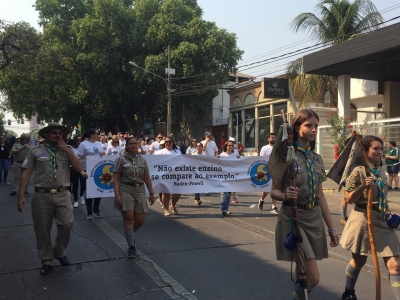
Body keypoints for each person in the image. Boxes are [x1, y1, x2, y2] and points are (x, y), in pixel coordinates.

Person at [270, 109, 339, 299]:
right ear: (297, 127)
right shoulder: (286, 156)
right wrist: (285, 195)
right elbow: (273, 191)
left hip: (314, 218)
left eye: (316, 125)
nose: (314, 129)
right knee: (313, 278)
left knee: (302, 274)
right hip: (294, 218)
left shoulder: (316, 159)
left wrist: (332, 228)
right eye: (309, 125)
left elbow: (320, 196)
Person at [17, 122, 85, 276]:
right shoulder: (35, 151)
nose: (58, 135)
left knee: (67, 224)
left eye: (60, 133)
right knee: (42, 230)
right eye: (54, 133)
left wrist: (67, 150)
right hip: (42, 195)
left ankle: (59, 252)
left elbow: (79, 168)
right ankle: (46, 260)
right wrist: (21, 196)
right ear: (46, 135)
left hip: (63, 193)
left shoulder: (68, 151)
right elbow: (26, 173)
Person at [340, 135, 400, 300]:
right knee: (358, 261)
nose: (380, 152)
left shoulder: (381, 170)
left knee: (396, 264)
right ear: (365, 151)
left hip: (382, 219)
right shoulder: (357, 171)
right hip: (363, 220)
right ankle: (348, 292)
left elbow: (383, 197)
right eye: (376, 148)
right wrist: (362, 186)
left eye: (381, 149)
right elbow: (348, 199)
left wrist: (388, 213)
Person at [113, 137, 155, 258]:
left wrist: (151, 194)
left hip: (139, 190)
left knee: (140, 220)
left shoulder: (142, 160)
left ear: (138, 145)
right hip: (126, 189)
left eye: (135, 144)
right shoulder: (120, 160)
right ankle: (131, 246)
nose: (133, 146)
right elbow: (115, 178)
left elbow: (147, 178)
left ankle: (129, 234)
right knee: (129, 219)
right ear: (126, 146)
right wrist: (117, 195)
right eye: (130, 144)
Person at [77, 128, 106, 220]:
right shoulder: (83, 144)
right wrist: (81, 170)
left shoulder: (98, 144)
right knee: (89, 191)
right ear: (92, 135)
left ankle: (96, 209)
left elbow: (102, 155)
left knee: (98, 189)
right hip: (87, 170)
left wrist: (103, 153)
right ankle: (89, 212)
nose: (99, 135)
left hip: (98, 170)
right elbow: (79, 158)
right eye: (97, 134)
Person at [154, 137, 181, 216]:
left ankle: (173, 205)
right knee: (166, 193)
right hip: (165, 176)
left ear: (173, 143)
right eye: (166, 142)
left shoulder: (177, 151)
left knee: (177, 193)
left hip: (176, 175)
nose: (168, 143)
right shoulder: (160, 152)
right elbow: (153, 161)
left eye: (169, 142)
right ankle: (166, 209)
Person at [219, 140, 240, 215]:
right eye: (229, 145)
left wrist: (240, 159)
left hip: (232, 177)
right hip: (224, 177)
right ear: (226, 146)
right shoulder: (222, 155)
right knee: (224, 193)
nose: (231, 147)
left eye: (232, 145)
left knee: (228, 194)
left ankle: (226, 208)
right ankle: (224, 209)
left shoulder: (234, 155)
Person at [258, 133, 278, 213]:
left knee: (275, 188)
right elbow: (261, 159)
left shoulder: (278, 148)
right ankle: (262, 199)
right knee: (266, 189)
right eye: (272, 138)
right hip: (267, 170)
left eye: (274, 138)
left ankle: (274, 206)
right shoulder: (264, 148)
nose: (273, 139)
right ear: (268, 139)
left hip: (276, 170)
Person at [69, 136, 86, 207]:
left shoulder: (85, 149)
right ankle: (76, 200)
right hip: (74, 169)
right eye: (77, 140)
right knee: (75, 184)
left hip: (84, 168)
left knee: (83, 184)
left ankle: (81, 195)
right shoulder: (73, 149)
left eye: (80, 140)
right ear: (75, 141)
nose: (79, 142)